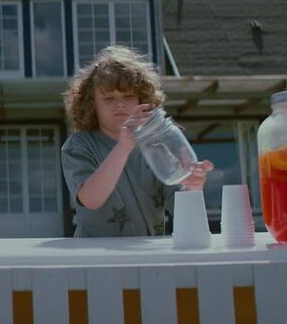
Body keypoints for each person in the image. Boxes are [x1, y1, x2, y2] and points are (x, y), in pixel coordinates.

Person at [61, 46, 214, 237]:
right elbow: (91, 199)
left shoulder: (158, 147)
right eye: (109, 98)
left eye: (128, 96)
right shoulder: (79, 145)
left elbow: (182, 212)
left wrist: (193, 186)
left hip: (146, 256)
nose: (120, 104)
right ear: (91, 104)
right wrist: (124, 146)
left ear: (143, 99)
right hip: (95, 257)